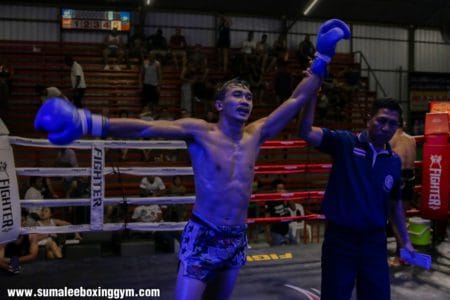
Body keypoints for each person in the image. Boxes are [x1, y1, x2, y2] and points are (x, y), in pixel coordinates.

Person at [34, 19, 350, 300]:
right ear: (218, 105)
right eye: (237, 95)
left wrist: (322, 59)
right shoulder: (201, 132)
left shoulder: (257, 133)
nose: (245, 100)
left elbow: (296, 99)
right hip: (204, 234)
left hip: (236, 237)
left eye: (249, 96)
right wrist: (90, 122)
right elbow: (147, 128)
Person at [299, 95, 415, 299]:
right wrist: (312, 94)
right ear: (368, 119)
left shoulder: (394, 161)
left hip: (375, 241)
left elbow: (395, 205)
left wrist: (405, 241)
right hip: (341, 240)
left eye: (393, 124)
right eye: (382, 120)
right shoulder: (345, 142)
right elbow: (306, 131)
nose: (386, 127)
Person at [388, 118, 417, 266]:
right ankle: (403, 254)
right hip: (410, 178)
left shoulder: (391, 139)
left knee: (395, 219)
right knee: (402, 217)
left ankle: (402, 255)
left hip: (397, 178)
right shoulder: (411, 139)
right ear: (403, 124)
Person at [0, 209, 39, 274]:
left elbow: (33, 255)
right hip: (6, 268)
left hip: (27, 267)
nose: (19, 224)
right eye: (17, 221)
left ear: (26, 221)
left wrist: (15, 260)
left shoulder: (32, 235)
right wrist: (9, 267)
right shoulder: (4, 237)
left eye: (22, 220)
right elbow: (0, 260)